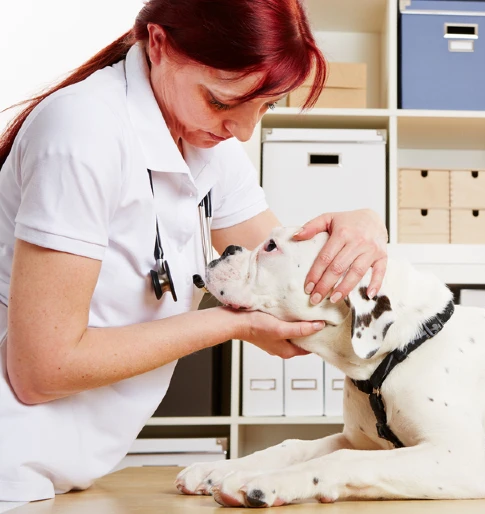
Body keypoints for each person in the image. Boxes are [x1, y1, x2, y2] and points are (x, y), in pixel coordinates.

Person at [0, 0, 388, 503]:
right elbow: (41, 371)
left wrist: (366, 228)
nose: (244, 131)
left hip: (59, 469)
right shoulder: (83, 130)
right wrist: (231, 325)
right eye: (223, 102)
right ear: (158, 45)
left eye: (266, 105)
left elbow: (280, 276)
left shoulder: (209, 145)